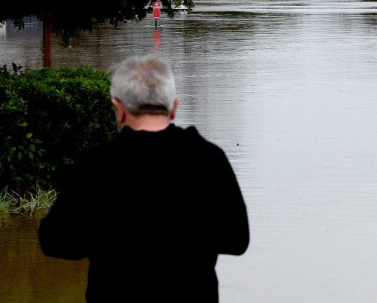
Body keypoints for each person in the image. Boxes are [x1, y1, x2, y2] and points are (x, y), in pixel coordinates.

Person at [38, 53, 249, 302]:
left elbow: (54, 241)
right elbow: (237, 241)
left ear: (119, 108)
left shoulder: (96, 163)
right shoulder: (209, 159)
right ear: (174, 108)